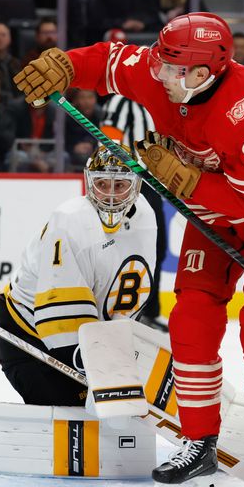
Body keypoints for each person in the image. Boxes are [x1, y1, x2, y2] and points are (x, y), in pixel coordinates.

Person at [13, 12, 244, 487]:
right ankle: (199, 443)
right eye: (161, 63)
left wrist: (188, 180)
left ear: (205, 74)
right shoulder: (166, 67)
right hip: (210, 213)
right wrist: (66, 66)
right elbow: (110, 63)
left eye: (173, 70)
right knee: (190, 320)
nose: (160, 75)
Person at [0, 144, 156, 406]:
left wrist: (118, 350)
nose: (111, 196)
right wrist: (94, 366)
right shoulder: (69, 219)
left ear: (136, 185)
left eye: (120, 186)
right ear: (89, 183)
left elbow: (133, 285)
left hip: (86, 332)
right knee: (70, 406)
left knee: (114, 412)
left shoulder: (145, 217)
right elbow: (60, 315)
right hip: (26, 330)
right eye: (103, 184)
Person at [100, 93, 169, 333]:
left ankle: (148, 312)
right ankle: (117, 311)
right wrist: (116, 186)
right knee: (123, 251)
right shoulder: (121, 102)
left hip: (151, 186)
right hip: (127, 185)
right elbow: (108, 142)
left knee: (156, 249)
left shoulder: (154, 102)